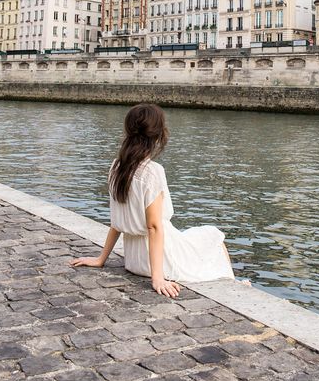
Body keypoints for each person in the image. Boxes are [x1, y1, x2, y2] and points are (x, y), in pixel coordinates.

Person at [70, 103, 234, 297]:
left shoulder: (116, 167)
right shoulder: (152, 172)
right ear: (159, 134)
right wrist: (158, 277)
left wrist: (101, 258)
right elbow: (154, 226)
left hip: (134, 260)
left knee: (202, 237)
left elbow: (117, 221)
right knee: (213, 235)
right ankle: (234, 283)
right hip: (160, 259)